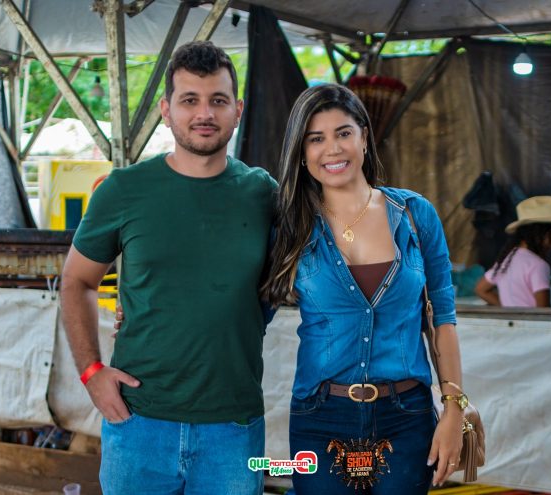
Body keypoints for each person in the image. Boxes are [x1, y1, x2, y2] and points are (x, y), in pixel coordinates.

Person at [60, 41, 276, 495]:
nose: (205, 113)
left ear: (238, 110)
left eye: (218, 100)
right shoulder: (123, 190)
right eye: (189, 100)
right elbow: (77, 281)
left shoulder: (265, 195)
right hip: (138, 422)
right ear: (165, 109)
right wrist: (90, 372)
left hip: (234, 428)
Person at [259, 84, 464, 494]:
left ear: (364, 138)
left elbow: (442, 318)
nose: (332, 149)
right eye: (316, 138)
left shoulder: (414, 215)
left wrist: (454, 411)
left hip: (407, 417)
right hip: (320, 418)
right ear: (301, 152)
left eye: (343, 133)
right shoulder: (288, 226)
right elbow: (244, 315)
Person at [474, 196, 551, 307]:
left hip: (511, 323)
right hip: (532, 324)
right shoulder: (538, 265)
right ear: (539, 233)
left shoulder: (507, 260)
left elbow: (481, 289)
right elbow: (544, 312)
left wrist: (509, 309)